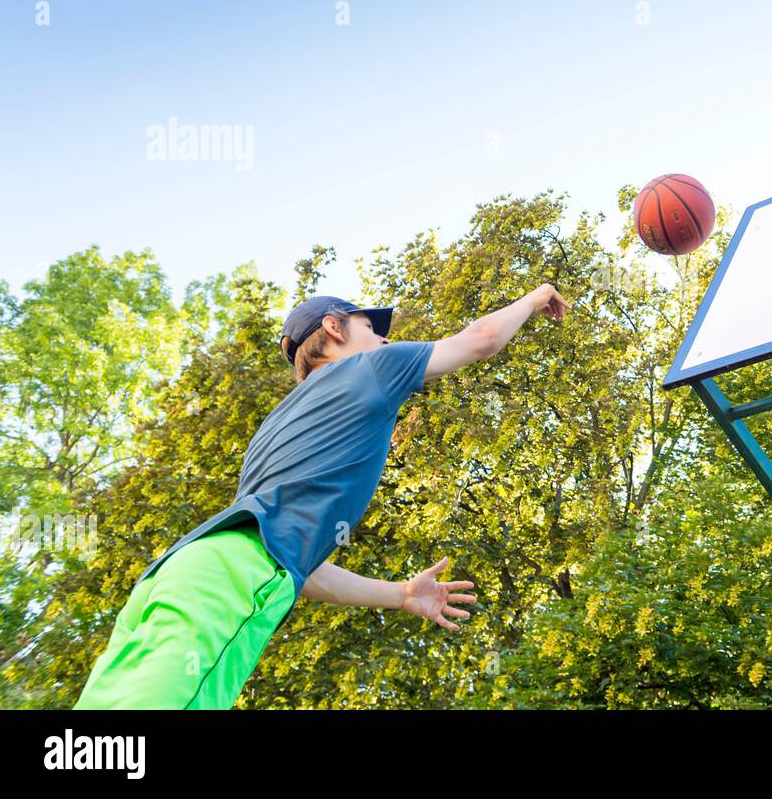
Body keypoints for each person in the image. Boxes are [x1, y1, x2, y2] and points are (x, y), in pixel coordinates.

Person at [74, 283, 570, 709]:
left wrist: (399, 595)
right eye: (370, 327)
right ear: (335, 328)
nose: (385, 337)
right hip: (227, 583)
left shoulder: (271, 430)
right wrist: (534, 297)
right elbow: (480, 341)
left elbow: (296, 563)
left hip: (177, 574)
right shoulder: (373, 369)